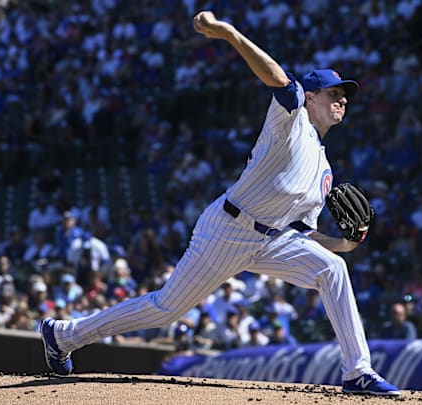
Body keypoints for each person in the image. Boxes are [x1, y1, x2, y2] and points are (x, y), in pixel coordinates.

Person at [39, 10, 400, 396]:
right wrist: (228, 34)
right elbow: (279, 79)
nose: (342, 101)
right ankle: (63, 336)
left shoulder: (325, 170)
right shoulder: (291, 121)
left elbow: (302, 232)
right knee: (167, 309)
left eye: (345, 97)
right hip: (229, 229)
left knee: (333, 269)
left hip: (273, 240)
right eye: (334, 94)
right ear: (311, 97)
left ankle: (357, 372)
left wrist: (341, 243)